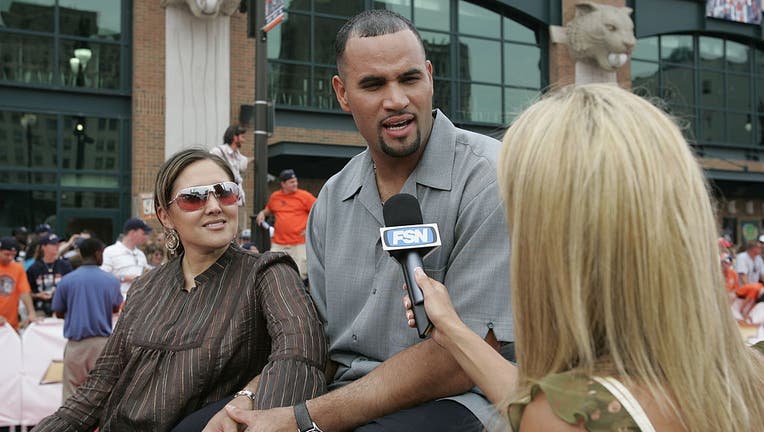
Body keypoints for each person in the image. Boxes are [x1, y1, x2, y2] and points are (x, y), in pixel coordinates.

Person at [400, 84, 764, 431]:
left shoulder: (568, 415)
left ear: (556, 248)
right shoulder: (746, 376)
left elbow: (559, 411)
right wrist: (451, 330)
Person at [227, 10, 511, 432]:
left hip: (460, 400)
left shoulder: (492, 176)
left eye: (410, 79)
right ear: (342, 94)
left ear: (430, 77)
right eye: (374, 84)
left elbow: (465, 359)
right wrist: (249, 400)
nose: (396, 99)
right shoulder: (332, 197)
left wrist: (304, 420)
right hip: (341, 397)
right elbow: (316, 342)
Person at [33, 149, 327, 431]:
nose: (214, 206)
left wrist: (249, 399)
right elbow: (98, 387)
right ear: (165, 216)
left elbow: (300, 355)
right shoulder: (146, 287)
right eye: (193, 198)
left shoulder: (267, 272)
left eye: (225, 192)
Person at [51, 237, 123, 402]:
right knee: (104, 397)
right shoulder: (111, 280)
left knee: (72, 397)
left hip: (76, 345)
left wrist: (77, 311)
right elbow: (114, 308)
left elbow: (59, 312)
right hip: (102, 345)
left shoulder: (67, 280)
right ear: (98, 253)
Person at [255, 169, 316, 282]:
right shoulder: (275, 196)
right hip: (279, 243)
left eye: (295, 181)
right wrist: (262, 213)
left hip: (299, 242)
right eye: (291, 182)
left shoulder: (305, 196)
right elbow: (269, 209)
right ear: (283, 184)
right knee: (271, 268)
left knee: (301, 273)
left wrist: (309, 228)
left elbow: (318, 211)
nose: (295, 184)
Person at [100, 218, 151, 298]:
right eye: (143, 233)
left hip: (139, 301)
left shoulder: (141, 254)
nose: (146, 237)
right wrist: (124, 278)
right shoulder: (110, 251)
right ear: (132, 233)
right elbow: (103, 277)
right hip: (119, 302)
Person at [26, 233, 73, 316]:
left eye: (57, 244)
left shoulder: (65, 265)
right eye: (53, 244)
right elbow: (26, 292)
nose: (57, 246)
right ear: (43, 247)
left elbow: (71, 287)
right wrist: (37, 295)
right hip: (40, 307)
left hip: (62, 308)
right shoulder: (34, 268)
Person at [0, 237, 37, 331]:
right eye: (6, 254)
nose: (10, 258)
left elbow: (24, 291)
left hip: (11, 324)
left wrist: (31, 312)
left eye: (13, 255)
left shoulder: (18, 268)